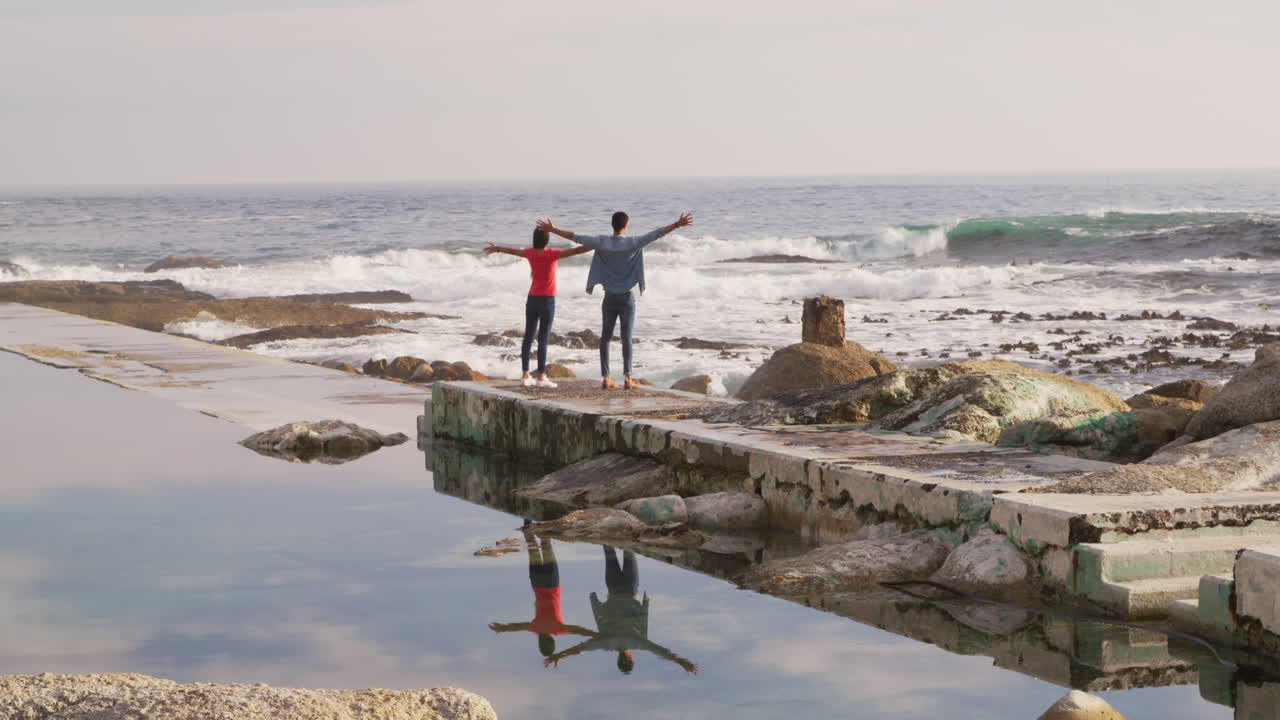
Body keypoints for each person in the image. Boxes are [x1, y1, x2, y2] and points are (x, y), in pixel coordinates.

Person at [537, 211, 693, 390]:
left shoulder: (602, 242)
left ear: (612, 225)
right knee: (626, 338)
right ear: (626, 226)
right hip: (627, 298)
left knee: (606, 338)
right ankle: (628, 378)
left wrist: (553, 229)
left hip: (609, 298)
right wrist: (677, 224)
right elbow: (657, 234)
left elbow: (575, 237)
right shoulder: (633, 242)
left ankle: (606, 377)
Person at [542, 545, 698, 675]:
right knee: (608, 548)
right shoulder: (606, 644)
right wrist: (559, 655)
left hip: (630, 587)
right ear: (618, 659)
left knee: (628, 548)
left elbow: (662, 651)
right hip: (613, 586)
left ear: (631, 659)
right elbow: (579, 648)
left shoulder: (638, 643)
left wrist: (681, 661)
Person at [484, 228, 592, 387]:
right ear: (547, 241)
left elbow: (513, 251)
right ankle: (541, 376)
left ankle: (525, 375)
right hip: (547, 301)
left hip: (532, 299)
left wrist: (497, 248)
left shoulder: (530, 253)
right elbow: (576, 251)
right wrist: (596, 245)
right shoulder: (552, 254)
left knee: (528, 337)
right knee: (542, 339)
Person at [488, 527, 597, 660]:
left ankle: (543, 520)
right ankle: (527, 520)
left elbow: (577, 630)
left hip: (552, 583)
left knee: (546, 544)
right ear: (539, 642)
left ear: (552, 641)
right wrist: (503, 628)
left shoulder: (557, 629)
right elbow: (518, 626)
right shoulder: (535, 628)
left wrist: (594, 635)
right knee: (532, 545)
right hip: (537, 583)